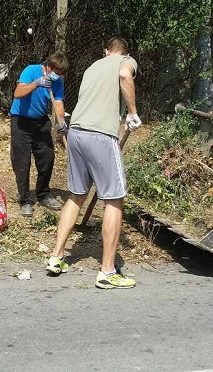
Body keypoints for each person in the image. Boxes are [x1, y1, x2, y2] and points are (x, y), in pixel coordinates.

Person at [45, 37, 142, 289]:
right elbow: (124, 75)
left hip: (76, 132)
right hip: (101, 135)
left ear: (105, 50)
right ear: (124, 52)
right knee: (114, 198)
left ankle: (56, 256)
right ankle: (108, 271)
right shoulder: (126, 61)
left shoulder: (93, 66)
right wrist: (132, 113)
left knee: (76, 195)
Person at [11, 53, 69, 218]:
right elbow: (18, 92)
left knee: (47, 157)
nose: (56, 75)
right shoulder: (31, 70)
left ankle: (43, 193)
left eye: (60, 73)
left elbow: (58, 102)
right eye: (55, 71)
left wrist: (61, 122)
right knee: (22, 162)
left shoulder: (57, 81)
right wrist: (37, 83)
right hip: (21, 121)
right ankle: (24, 199)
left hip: (41, 121)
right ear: (48, 66)